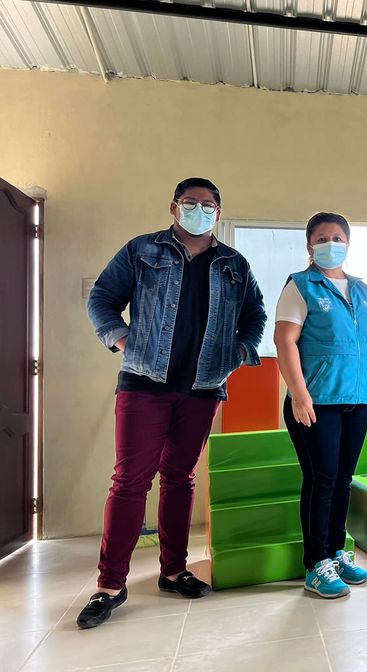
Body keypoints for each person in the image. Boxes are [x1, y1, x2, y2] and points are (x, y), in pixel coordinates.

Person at [80, 177, 267, 628]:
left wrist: (240, 353)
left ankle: (173, 570)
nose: (199, 210)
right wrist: (123, 341)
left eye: (208, 205)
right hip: (144, 383)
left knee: (180, 479)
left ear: (218, 212)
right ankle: (110, 584)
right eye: (190, 202)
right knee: (129, 482)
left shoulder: (234, 263)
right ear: (174, 207)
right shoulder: (142, 250)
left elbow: (255, 314)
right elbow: (102, 298)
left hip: (203, 388)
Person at [274, 212, 367, 599]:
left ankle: (336, 553)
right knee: (322, 480)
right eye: (322, 238)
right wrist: (299, 393)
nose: (330, 244)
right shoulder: (300, 285)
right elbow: (284, 341)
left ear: (348, 243)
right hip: (316, 402)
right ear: (310, 245)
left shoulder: (362, 289)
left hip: (356, 399)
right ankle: (316, 564)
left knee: (343, 479)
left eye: (337, 237)